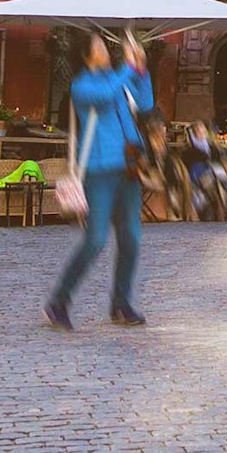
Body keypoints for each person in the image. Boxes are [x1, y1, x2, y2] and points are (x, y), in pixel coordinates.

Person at [46, 33, 153, 330]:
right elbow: (105, 96)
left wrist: (141, 70)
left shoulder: (116, 79)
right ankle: (59, 301)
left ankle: (121, 304)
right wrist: (128, 69)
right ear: (85, 55)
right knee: (96, 239)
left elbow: (145, 104)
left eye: (105, 46)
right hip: (99, 169)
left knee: (131, 238)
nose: (106, 50)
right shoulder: (82, 86)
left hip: (129, 168)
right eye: (99, 46)